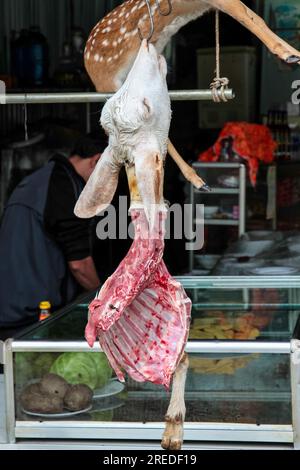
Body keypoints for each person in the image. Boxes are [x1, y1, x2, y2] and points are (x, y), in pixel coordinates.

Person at [0, 134, 105, 340]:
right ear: (97, 161)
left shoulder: (47, 178)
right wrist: (104, 303)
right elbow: (79, 265)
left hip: (14, 306)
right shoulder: (65, 187)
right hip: (26, 315)